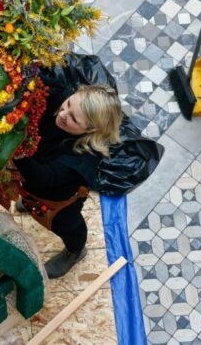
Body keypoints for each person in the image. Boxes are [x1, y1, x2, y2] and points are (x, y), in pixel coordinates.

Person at [14, 83, 123, 279]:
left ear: (90, 129)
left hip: (59, 198)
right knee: (29, 192)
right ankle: (30, 201)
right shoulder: (64, 103)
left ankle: (75, 251)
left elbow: (43, 177)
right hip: (33, 177)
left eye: (73, 118)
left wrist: (19, 154)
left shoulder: (83, 156)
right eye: (68, 104)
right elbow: (43, 83)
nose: (64, 114)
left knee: (67, 225)